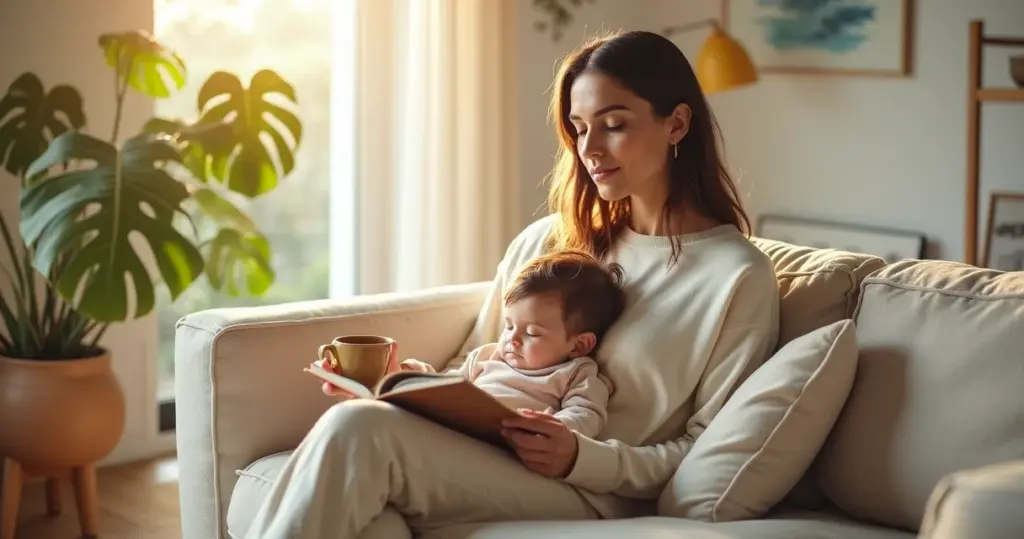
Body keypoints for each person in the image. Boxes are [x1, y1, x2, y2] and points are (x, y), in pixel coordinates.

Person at [244, 29, 780, 539]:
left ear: (677, 124)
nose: (589, 148)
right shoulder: (549, 241)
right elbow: (478, 366)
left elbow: (706, 448)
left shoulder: (736, 278)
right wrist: (403, 384)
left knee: (358, 431)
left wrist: (581, 455)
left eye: (613, 124)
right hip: (484, 453)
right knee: (365, 463)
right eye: (579, 127)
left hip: (590, 490)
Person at [400, 249, 626, 439]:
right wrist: (425, 378)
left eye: (532, 333)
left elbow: (586, 415)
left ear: (578, 346)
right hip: (457, 432)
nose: (512, 339)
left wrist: (554, 428)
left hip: (505, 448)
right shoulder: (486, 356)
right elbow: (451, 388)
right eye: (508, 326)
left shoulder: (575, 374)